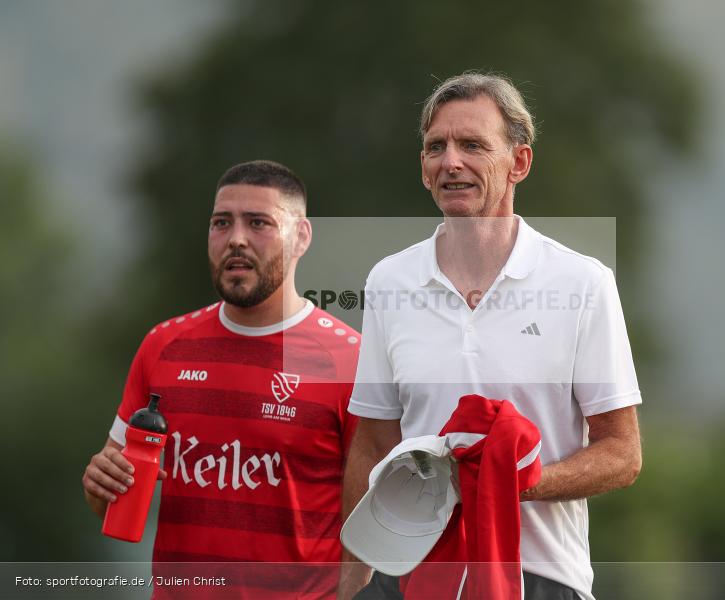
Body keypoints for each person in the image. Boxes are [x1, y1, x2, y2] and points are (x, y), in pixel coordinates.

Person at [339, 73, 643, 600]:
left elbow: (622, 453)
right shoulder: (389, 281)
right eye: (437, 147)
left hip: (541, 577)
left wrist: (509, 480)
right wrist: (353, 580)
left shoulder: (582, 282)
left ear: (518, 164)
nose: (450, 161)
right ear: (423, 169)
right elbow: (372, 443)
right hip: (411, 577)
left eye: (473, 145)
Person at [82, 160, 360, 599]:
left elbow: (374, 520)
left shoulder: (351, 360)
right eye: (221, 223)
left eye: (259, 223)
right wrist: (100, 483)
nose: (236, 239)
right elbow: (110, 501)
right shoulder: (163, 345)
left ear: (302, 237)